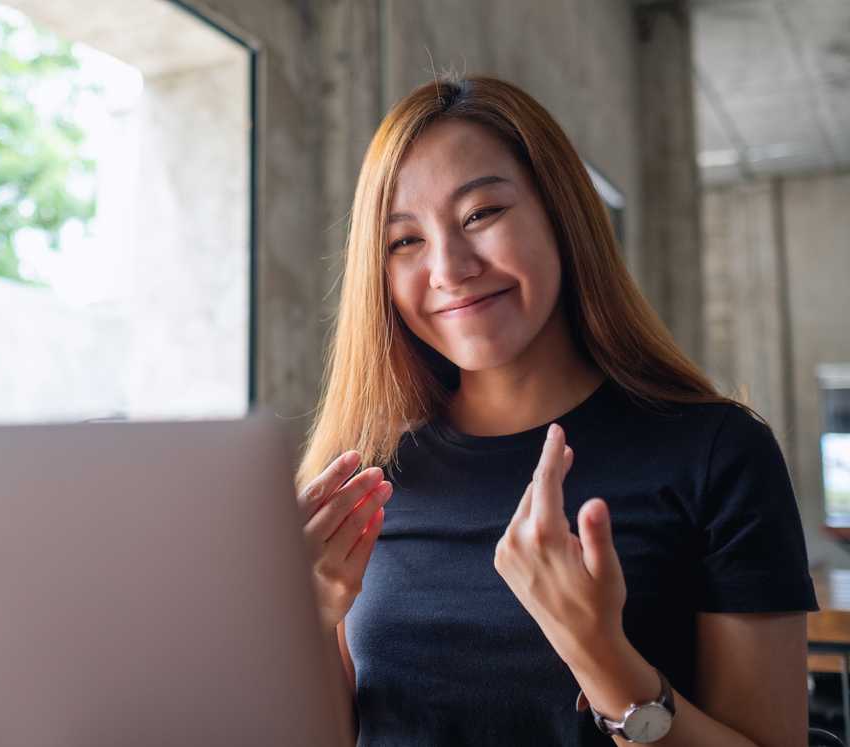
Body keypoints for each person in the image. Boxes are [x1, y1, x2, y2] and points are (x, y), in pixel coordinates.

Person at [293, 75, 818, 746]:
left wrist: (599, 653)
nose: (449, 267)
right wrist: (307, 624)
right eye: (405, 242)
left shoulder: (720, 453)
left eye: (481, 214)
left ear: (561, 214)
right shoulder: (367, 474)